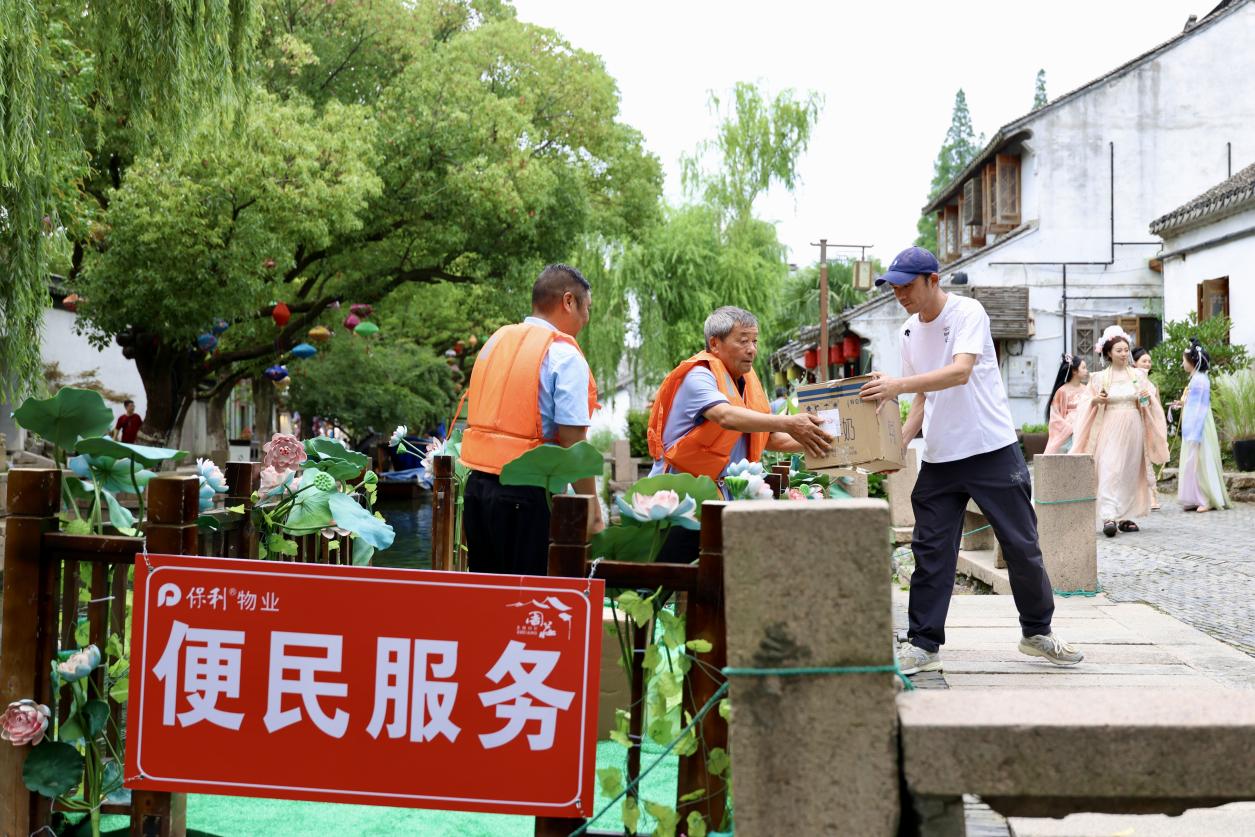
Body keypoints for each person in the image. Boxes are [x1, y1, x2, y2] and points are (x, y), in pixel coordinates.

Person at [859, 246, 1082, 675]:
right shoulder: (907, 331)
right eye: (895, 287)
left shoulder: (968, 313)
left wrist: (896, 386)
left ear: (933, 280)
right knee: (930, 551)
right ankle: (922, 644)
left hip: (991, 450)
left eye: (907, 285)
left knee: (1022, 547)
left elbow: (959, 372)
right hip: (941, 458)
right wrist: (899, 445)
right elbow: (923, 398)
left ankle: (1037, 631)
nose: (900, 294)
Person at [647, 306, 833, 561]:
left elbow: (769, 438)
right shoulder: (698, 376)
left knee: (717, 585)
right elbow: (726, 416)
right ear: (715, 343)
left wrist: (822, 440)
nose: (752, 349)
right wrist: (790, 422)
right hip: (680, 498)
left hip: (724, 499)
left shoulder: (748, 382)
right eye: (743, 340)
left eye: (755, 341)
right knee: (661, 584)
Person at [459, 264, 603, 576]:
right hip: (525, 495)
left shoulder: (495, 343)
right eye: (586, 308)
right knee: (527, 602)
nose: (586, 319)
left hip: (477, 489)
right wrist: (591, 505)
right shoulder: (564, 355)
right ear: (568, 301)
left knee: (488, 596)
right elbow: (572, 440)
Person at [1071, 327, 1168, 537]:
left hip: (1133, 426)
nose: (1124, 354)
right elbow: (1086, 400)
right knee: (1109, 468)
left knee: (1129, 471)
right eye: (1119, 350)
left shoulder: (1138, 376)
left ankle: (1125, 516)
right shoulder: (1099, 378)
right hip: (1110, 427)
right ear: (1108, 353)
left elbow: (1149, 399)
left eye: (1126, 349)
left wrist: (1146, 398)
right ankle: (1108, 516)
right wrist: (1097, 400)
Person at [1171, 338, 1229, 513]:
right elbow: (1193, 403)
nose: (1182, 364)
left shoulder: (1200, 380)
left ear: (1193, 362)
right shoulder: (1197, 379)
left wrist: (1195, 432)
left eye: (1184, 360)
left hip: (1200, 424)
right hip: (1195, 422)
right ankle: (1195, 497)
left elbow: (1200, 407)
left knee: (1201, 460)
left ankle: (1207, 497)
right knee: (1193, 461)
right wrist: (1182, 404)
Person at [1132, 347, 1165, 510]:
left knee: (1147, 458)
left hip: (1148, 423)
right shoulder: (1132, 381)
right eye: (1143, 361)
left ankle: (1152, 495)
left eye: (1149, 361)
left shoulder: (1152, 385)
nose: (1147, 364)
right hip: (1134, 423)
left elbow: (1157, 406)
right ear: (1134, 363)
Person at [1044, 354, 1089, 454]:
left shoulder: (1087, 389)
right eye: (1083, 368)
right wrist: (1069, 428)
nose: (1086, 371)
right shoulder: (1062, 391)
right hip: (1069, 430)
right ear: (1074, 371)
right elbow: (1055, 415)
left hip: (1084, 425)